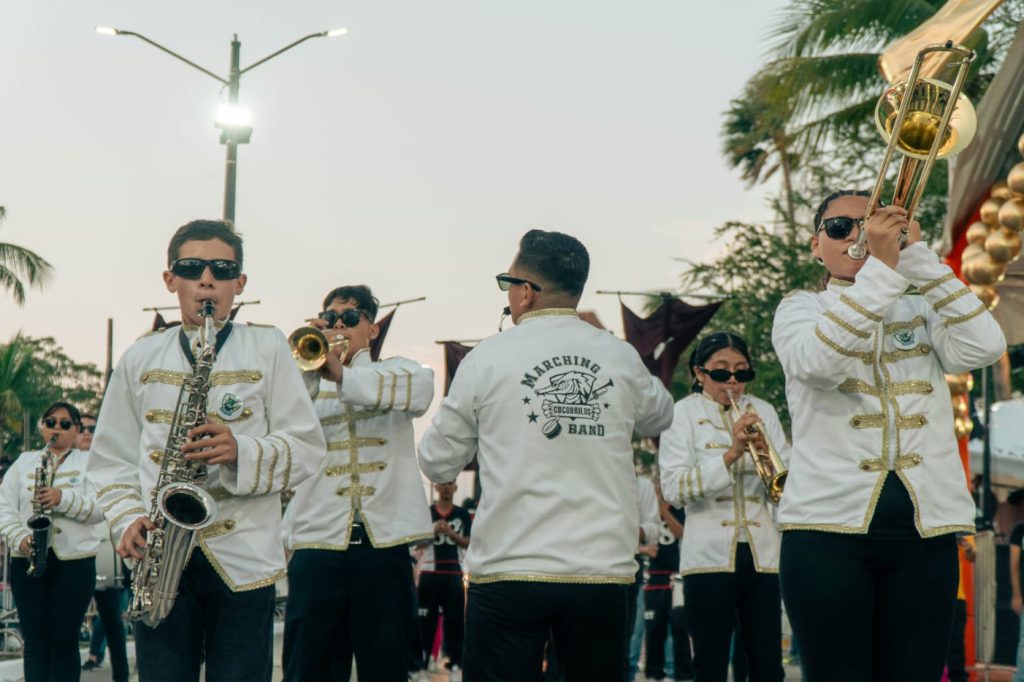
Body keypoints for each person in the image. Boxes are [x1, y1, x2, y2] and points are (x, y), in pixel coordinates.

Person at [418, 229, 675, 681]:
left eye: (508, 283)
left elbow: (437, 461)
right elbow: (660, 415)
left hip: (509, 569)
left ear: (526, 292)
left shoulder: (487, 357)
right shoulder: (618, 355)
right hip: (600, 572)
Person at [772, 191, 1006, 682]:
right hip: (825, 536)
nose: (858, 236)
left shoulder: (920, 305)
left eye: (874, 224)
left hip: (925, 536)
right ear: (817, 245)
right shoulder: (799, 308)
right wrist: (883, 268)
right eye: (841, 228)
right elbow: (819, 364)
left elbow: (984, 346)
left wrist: (918, 260)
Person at [87, 219, 326, 682]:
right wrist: (126, 517)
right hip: (161, 555)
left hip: (245, 556)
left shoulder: (269, 346)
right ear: (170, 279)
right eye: (192, 267)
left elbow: (308, 446)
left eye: (222, 268)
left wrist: (242, 450)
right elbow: (110, 458)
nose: (207, 279)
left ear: (240, 283)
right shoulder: (140, 357)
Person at [281, 284, 434, 682]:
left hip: (383, 551)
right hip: (318, 544)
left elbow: (420, 391)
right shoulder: (305, 384)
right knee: (308, 669)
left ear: (373, 329)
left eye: (350, 318)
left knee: (386, 667)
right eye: (330, 318)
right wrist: (306, 369)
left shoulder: (398, 371)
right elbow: (278, 419)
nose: (339, 325)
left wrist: (340, 373)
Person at [658, 332, 786, 682]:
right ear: (699, 374)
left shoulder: (764, 411)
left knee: (767, 665)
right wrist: (730, 455)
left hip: (764, 556)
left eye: (742, 373)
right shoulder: (680, 415)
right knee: (710, 664)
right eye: (721, 372)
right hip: (708, 556)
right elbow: (673, 489)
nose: (733, 381)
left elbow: (784, 487)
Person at [0, 401, 103, 682]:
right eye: (51, 422)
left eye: (65, 424)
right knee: (34, 642)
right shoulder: (24, 462)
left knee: (64, 642)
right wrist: (19, 537)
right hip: (27, 560)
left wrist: (62, 499)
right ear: (43, 427)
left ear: (77, 430)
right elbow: (3, 506)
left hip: (75, 564)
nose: (57, 428)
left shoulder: (90, 464)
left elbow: (100, 509)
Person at [77, 413, 130, 682]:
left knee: (112, 619)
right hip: (74, 553)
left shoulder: (106, 463)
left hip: (108, 549)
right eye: (82, 428)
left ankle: (120, 675)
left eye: (92, 428)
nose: (86, 433)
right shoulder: (65, 465)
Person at [416, 481, 472, 679]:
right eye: (442, 485)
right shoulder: (427, 513)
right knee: (425, 621)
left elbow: (470, 543)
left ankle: (455, 664)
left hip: (453, 573)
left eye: (450, 485)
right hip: (430, 572)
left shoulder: (462, 514)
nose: (446, 488)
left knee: (455, 621)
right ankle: (421, 665)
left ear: (456, 488)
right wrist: (433, 533)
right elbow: (417, 542)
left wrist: (452, 534)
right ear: (437, 488)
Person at [643, 478, 692, 682]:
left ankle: (683, 674)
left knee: (680, 629)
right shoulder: (648, 511)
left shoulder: (680, 509)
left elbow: (682, 533)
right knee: (654, 629)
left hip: (676, 577)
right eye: (657, 487)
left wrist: (664, 511)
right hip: (653, 578)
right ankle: (654, 673)